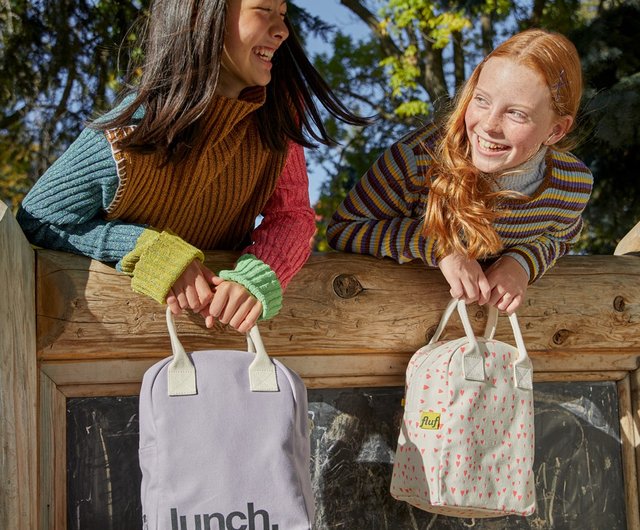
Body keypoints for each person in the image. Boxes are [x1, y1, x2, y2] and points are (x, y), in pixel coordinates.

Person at [17, 0, 368, 333]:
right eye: (264, 9)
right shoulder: (129, 131)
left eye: (283, 13)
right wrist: (150, 251)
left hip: (221, 351)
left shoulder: (276, 121)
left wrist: (258, 273)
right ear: (204, 14)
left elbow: (292, 215)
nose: (283, 30)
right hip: (111, 347)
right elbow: (38, 220)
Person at [327, 28, 593, 314]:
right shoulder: (417, 160)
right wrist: (441, 247)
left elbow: (559, 238)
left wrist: (521, 263)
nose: (489, 125)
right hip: (394, 324)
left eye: (516, 113)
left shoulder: (572, 185)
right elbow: (345, 229)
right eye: (482, 100)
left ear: (555, 131)